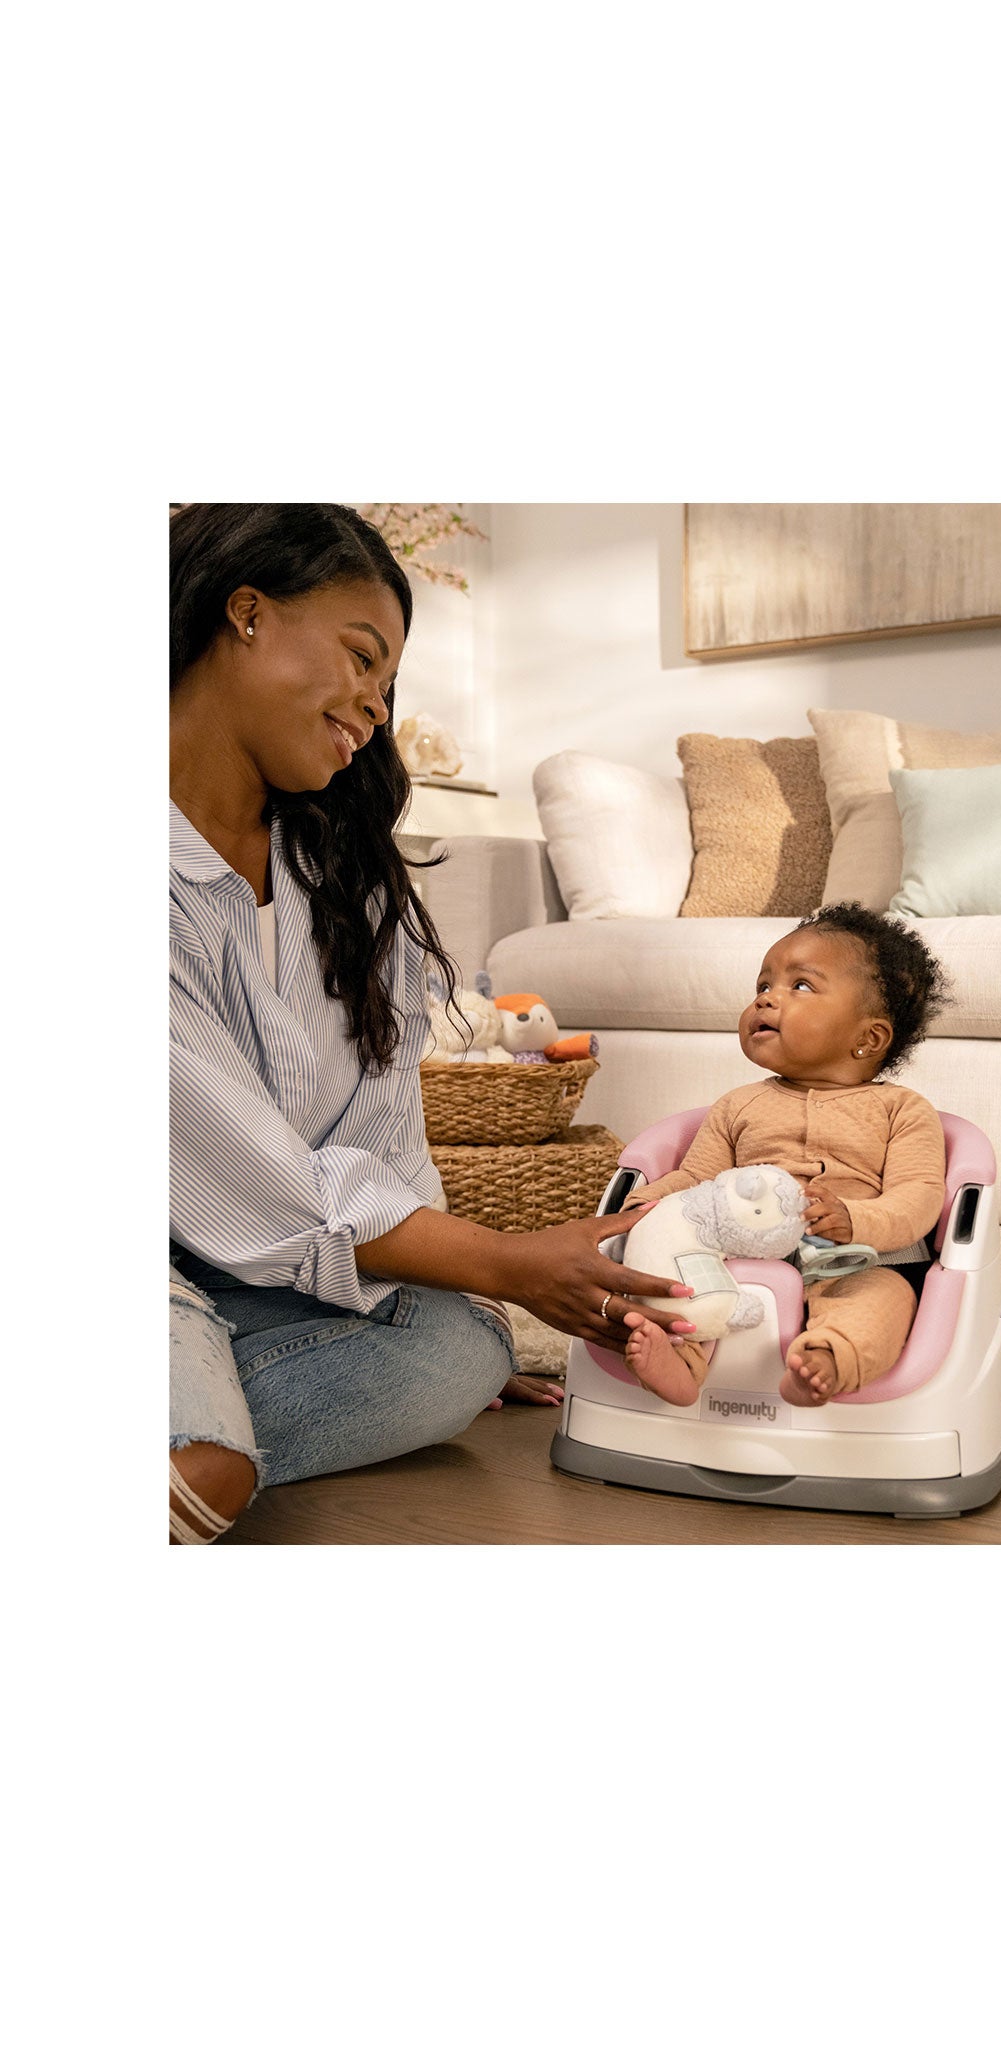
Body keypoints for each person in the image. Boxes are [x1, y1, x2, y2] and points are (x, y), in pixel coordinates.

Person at [169, 504, 695, 1544]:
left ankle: (195, 1408)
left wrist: (478, 1281)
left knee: (462, 1344)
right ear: (247, 613)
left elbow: (382, 1143)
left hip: (260, 1269)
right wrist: (505, 1259)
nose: (376, 706)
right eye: (362, 656)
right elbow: (236, 1166)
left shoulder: (350, 883)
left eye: (389, 681)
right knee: (217, 1464)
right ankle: (199, 1436)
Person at [617, 903, 949, 1409]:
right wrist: (646, 1206)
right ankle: (680, 1362)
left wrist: (855, 1219)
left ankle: (826, 1359)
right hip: (744, 1258)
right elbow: (696, 1177)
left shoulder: (901, 1111)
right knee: (689, 1287)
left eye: (801, 985)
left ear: (868, 1037)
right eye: (763, 985)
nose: (767, 998)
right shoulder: (737, 1105)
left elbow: (918, 1198)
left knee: (885, 1303)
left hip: (857, 1264)